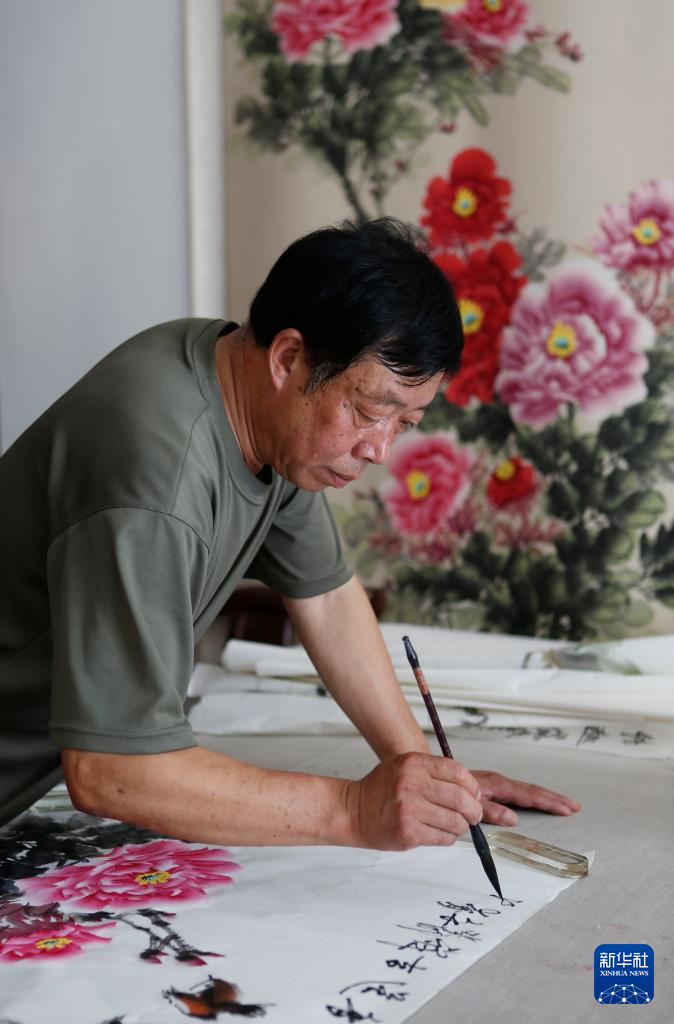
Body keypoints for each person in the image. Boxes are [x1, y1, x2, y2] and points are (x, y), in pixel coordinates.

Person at [0, 218, 580, 842]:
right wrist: (354, 810)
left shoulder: (252, 398)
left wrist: (422, 773)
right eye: (369, 411)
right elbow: (114, 773)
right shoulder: (155, 478)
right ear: (288, 358)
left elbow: (326, 598)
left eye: (405, 423)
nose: (380, 449)